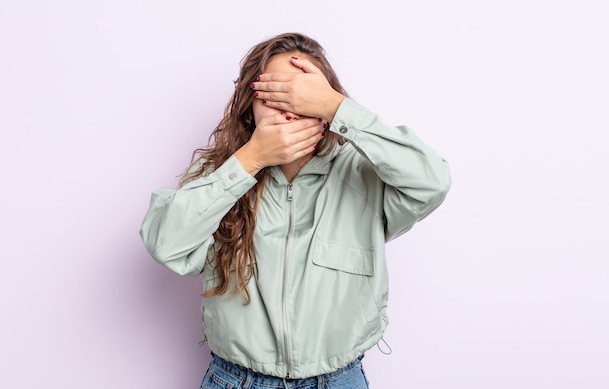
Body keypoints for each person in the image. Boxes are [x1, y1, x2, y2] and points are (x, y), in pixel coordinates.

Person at [140, 32, 451, 389]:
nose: (289, 109)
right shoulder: (221, 173)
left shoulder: (365, 172)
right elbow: (167, 246)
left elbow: (433, 181)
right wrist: (251, 160)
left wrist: (339, 108)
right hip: (235, 379)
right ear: (249, 106)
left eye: (303, 95)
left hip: (338, 379)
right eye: (274, 94)